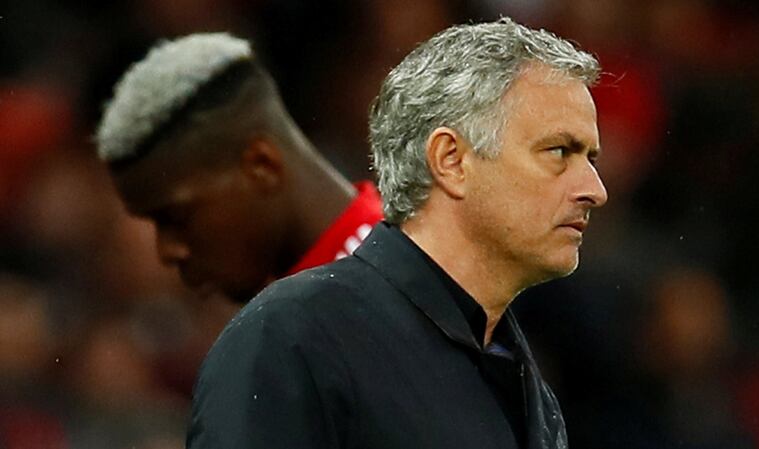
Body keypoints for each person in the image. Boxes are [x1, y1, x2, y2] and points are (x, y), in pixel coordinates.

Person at [188, 17, 607, 449]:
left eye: (590, 158)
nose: (595, 190)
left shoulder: (530, 389)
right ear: (451, 160)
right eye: (560, 151)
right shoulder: (294, 337)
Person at [95, 33, 382, 304]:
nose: (166, 252)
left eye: (175, 218)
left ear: (262, 166)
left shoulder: (376, 290)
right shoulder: (355, 279)